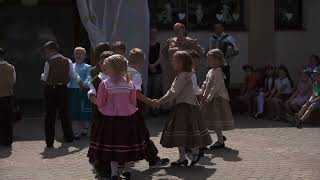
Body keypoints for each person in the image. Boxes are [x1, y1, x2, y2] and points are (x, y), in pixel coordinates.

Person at [87, 55, 145, 180]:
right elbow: (133, 102)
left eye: (106, 67)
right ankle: (127, 171)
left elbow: (100, 103)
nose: (105, 69)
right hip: (128, 118)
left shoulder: (105, 84)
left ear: (112, 69)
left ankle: (114, 173)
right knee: (127, 144)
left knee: (112, 145)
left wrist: (100, 105)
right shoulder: (129, 83)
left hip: (110, 120)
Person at [155, 51, 212, 166]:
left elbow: (173, 92)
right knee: (184, 132)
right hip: (188, 106)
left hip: (183, 107)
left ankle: (194, 152)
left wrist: (159, 102)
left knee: (182, 131)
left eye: (174, 60)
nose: (172, 62)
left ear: (181, 62)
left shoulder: (183, 76)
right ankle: (184, 157)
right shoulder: (189, 74)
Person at [127, 48, 170, 168]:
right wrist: (151, 102)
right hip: (134, 109)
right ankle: (153, 160)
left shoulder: (123, 71)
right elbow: (136, 93)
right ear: (140, 61)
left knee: (127, 134)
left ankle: (127, 159)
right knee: (143, 134)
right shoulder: (135, 75)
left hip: (122, 109)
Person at [40, 41, 85, 148]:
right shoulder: (67, 61)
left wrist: (41, 76)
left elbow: (45, 77)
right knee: (65, 113)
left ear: (52, 50)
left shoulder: (48, 63)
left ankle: (49, 142)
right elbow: (73, 74)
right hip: (63, 89)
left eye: (47, 52)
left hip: (51, 89)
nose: (46, 55)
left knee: (50, 115)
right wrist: (80, 83)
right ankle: (69, 137)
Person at [200, 49, 234, 149]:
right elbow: (205, 83)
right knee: (206, 120)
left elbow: (216, 87)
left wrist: (208, 99)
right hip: (208, 98)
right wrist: (200, 92)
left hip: (216, 99)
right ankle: (210, 139)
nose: (208, 61)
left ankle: (220, 141)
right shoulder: (210, 71)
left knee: (216, 120)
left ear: (217, 60)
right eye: (208, 59)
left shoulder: (218, 72)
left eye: (210, 59)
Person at [87, 50, 114, 177]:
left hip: (116, 116)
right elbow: (91, 93)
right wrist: (99, 103)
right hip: (101, 116)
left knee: (114, 140)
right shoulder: (97, 79)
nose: (104, 64)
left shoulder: (119, 78)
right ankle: (102, 167)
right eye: (102, 62)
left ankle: (117, 166)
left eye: (107, 62)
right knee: (102, 140)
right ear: (99, 63)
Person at [161, 23, 204, 94]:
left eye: (178, 29)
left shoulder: (190, 41)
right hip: (172, 71)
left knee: (184, 92)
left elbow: (200, 53)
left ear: (183, 30)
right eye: (174, 30)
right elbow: (164, 53)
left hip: (185, 71)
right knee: (170, 91)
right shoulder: (171, 41)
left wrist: (194, 64)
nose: (176, 32)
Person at [67, 47, 92, 139]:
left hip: (83, 91)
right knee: (73, 110)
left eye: (80, 53)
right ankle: (76, 132)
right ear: (73, 55)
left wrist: (85, 84)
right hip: (72, 91)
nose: (78, 55)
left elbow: (89, 77)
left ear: (85, 56)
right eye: (76, 53)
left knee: (83, 110)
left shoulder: (87, 67)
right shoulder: (71, 66)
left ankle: (85, 127)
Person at [208, 23, 239, 88]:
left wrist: (228, 55)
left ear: (222, 28)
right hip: (213, 65)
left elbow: (236, 51)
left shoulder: (228, 38)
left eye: (218, 28)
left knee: (225, 84)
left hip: (224, 64)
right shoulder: (212, 38)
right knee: (213, 84)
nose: (217, 29)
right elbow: (209, 50)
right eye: (215, 28)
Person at [0, 48, 16, 146]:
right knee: (7, 119)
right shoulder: (11, 67)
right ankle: (8, 140)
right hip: (7, 96)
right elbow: (13, 81)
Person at [148, 29, 162, 116]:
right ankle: (148, 109)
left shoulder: (159, 45)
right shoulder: (145, 44)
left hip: (157, 70)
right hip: (147, 70)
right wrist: (149, 65)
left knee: (156, 91)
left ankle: (155, 110)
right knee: (148, 89)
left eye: (154, 34)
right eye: (151, 33)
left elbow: (160, 57)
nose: (153, 35)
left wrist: (153, 65)